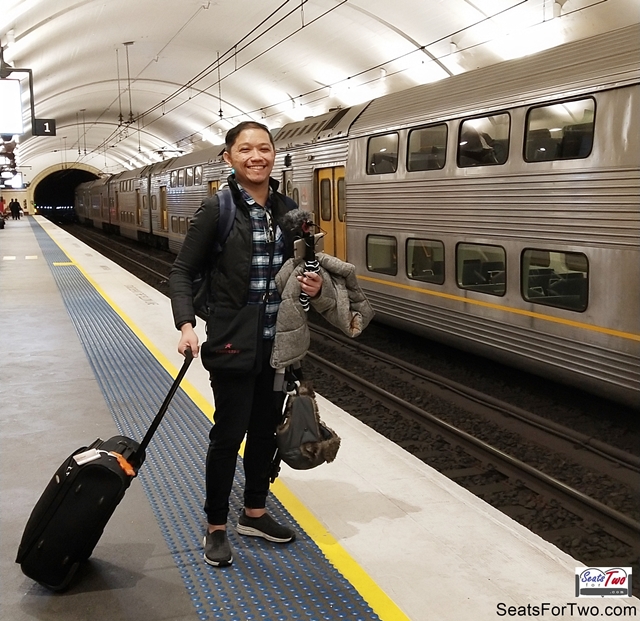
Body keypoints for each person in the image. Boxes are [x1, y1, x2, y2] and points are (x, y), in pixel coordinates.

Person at [169, 121, 322, 568]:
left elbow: (300, 268)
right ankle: (216, 525)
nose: (256, 157)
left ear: (274, 154)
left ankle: (254, 512)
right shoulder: (216, 210)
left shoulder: (289, 210)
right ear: (229, 157)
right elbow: (182, 272)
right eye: (245, 150)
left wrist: (310, 286)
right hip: (233, 341)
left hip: (279, 343)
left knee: (263, 433)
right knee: (228, 434)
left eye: (264, 149)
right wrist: (186, 325)